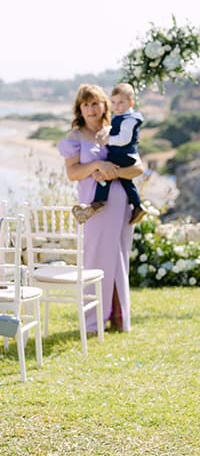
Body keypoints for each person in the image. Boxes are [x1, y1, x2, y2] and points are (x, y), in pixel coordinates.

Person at [58, 84, 145, 334]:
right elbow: (73, 173)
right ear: (80, 108)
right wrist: (97, 165)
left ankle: (119, 318)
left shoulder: (116, 130)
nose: (91, 109)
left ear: (105, 105)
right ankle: (93, 322)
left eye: (95, 103)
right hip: (93, 207)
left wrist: (114, 172)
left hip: (121, 203)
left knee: (118, 258)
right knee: (94, 259)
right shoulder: (75, 137)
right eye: (86, 104)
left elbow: (138, 168)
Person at [73, 82, 147, 225]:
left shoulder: (129, 119)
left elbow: (125, 140)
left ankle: (98, 202)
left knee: (105, 176)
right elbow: (72, 174)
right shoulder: (120, 118)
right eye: (114, 102)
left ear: (131, 103)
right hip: (122, 156)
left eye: (121, 102)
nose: (117, 106)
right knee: (127, 182)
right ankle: (137, 205)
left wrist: (108, 140)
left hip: (123, 156)